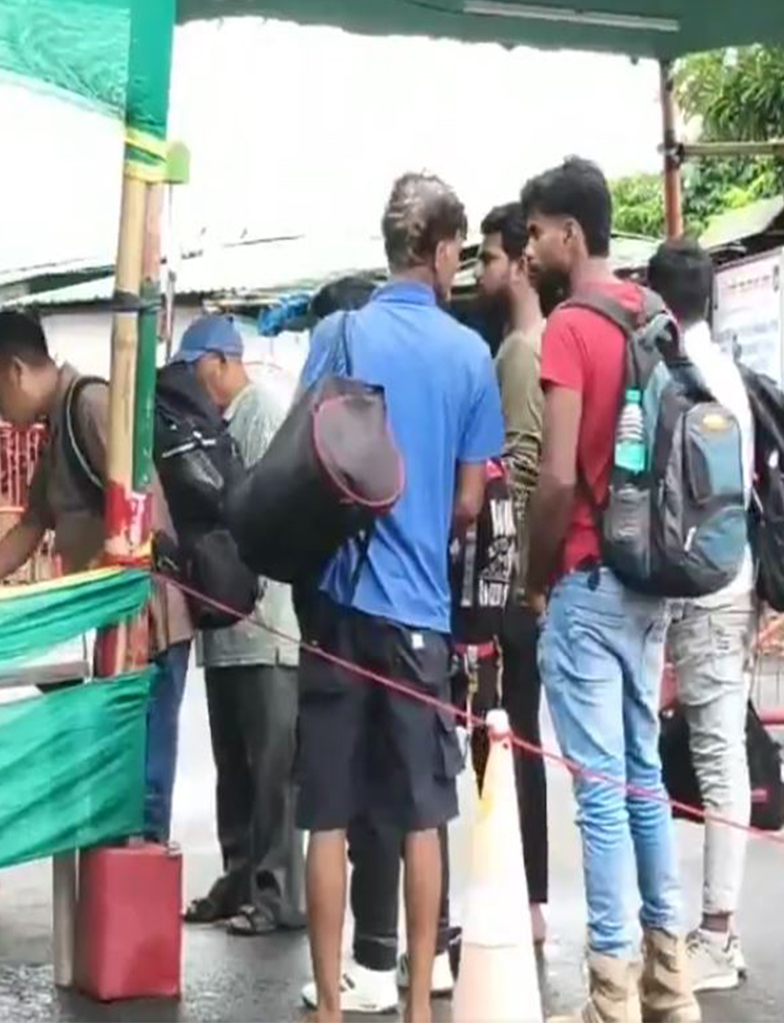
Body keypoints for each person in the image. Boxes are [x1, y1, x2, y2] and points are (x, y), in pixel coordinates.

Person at [295, 172, 503, 1023]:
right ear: (444, 248)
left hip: (335, 605)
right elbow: (468, 499)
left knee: (329, 816)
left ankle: (335, 1008)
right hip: (418, 616)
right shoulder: (467, 355)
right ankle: (420, 1003)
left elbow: (305, 457)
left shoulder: (340, 334)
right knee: (424, 814)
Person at [522, 157, 698, 1023]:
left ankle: (611, 998)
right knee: (642, 782)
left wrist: (532, 575)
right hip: (651, 577)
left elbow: (555, 478)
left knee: (598, 791)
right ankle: (671, 988)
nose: (528, 251)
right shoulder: (651, 311)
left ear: (569, 233)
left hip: (589, 576)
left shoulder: (569, 327)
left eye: (535, 233)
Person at [0, 309, 193, 839]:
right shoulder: (56, 427)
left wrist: (106, 578)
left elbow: (146, 514)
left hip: (147, 623)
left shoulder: (92, 406)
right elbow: (33, 522)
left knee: (141, 777)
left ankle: (137, 892)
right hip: (109, 619)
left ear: (15, 372)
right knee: (113, 768)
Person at [646, 238, 756, 993]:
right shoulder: (730, 376)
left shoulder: (662, 374)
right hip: (730, 579)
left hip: (681, 588)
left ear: (658, 300)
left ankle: (716, 933)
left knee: (711, 759)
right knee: (720, 756)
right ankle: (713, 927)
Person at [172, 315, 304, 937]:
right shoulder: (215, 425)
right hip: (225, 632)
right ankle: (238, 881)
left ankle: (277, 895)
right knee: (235, 770)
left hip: (266, 627)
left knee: (272, 771)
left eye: (194, 368)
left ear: (221, 361)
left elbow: (259, 509)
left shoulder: (261, 412)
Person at [474, 200, 550, 942]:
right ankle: (526, 897)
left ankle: (523, 898)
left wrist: (510, 578)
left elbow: (521, 467)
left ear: (522, 262)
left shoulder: (523, 351)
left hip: (515, 584)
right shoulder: (524, 344)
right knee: (513, 731)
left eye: (490, 258)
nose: (481, 271)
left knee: (508, 732)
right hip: (526, 579)